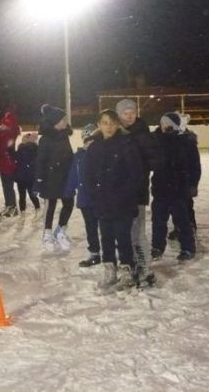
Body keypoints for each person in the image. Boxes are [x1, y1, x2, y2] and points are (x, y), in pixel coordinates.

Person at [85, 110, 143, 291]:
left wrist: (125, 194)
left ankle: (127, 271)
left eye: (111, 123)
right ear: (99, 125)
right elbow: (88, 175)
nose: (108, 126)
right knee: (106, 238)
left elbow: (136, 174)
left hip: (123, 202)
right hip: (102, 201)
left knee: (123, 238)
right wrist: (95, 193)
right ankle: (110, 270)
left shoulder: (127, 144)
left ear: (117, 124)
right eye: (104, 122)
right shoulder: (94, 147)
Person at [115, 98, 161, 287]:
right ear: (119, 115)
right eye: (125, 113)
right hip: (118, 191)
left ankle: (145, 267)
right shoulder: (115, 134)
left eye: (132, 112)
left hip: (137, 189)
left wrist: (139, 170)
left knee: (138, 231)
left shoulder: (143, 134)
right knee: (123, 231)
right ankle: (130, 264)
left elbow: (155, 159)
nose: (129, 115)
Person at [151, 112, 201, 264]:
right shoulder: (156, 139)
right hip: (160, 186)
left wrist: (193, 184)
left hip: (179, 187)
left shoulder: (186, 141)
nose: (164, 126)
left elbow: (195, 166)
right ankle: (157, 247)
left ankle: (188, 248)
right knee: (158, 220)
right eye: (162, 123)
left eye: (168, 124)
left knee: (182, 220)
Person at [36, 104, 74, 252]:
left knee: (69, 204)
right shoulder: (45, 139)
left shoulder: (64, 137)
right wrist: (39, 180)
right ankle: (47, 233)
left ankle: (60, 230)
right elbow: (40, 160)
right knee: (50, 206)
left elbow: (69, 155)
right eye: (63, 119)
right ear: (55, 121)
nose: (66, 121)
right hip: (50, 178)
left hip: (65, 177)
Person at [64, 124, 100, 267]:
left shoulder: (102, 153)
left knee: (107, 226)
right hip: (85, 198)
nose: (90, 143)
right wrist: (69, 191)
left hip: (101, 197)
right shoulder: (78, 156)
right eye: (87, 140)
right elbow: (73, 175)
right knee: (91, 227)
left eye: (93, 140)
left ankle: (113, 252)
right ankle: (95, 252)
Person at [14, 132, 40, 215]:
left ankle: (27, 209)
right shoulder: (34, 148)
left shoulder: (25, 148)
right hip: (27, 176)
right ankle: (34, 208)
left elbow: (17, 158)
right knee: (28, 194)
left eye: (24, 138)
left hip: (25, 176)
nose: (23, 139)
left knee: (26, 194)